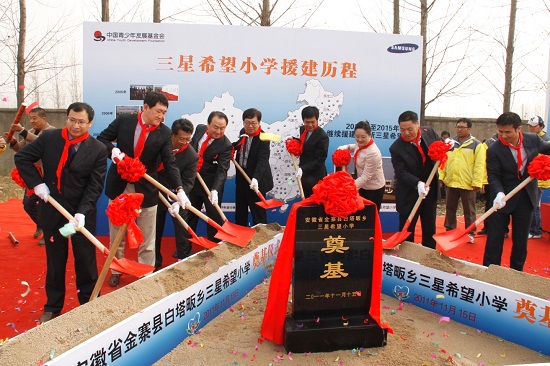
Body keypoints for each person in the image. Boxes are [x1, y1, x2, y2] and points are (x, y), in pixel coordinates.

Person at [14, 102, 107, 323]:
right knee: (56, 261)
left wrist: (82, 212)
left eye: (81, 122)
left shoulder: (97, 149)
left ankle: (90, 302)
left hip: (79, 218)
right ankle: (53, 306)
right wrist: (37, 184)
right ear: (67, 118)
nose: (76, 125)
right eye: (72, 120)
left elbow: (94, 186)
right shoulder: (49, 139)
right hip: (53, 212)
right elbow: (22, 158)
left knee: (85, 261)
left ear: (90, 123)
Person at [98, 91, 189, 287]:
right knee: (117, 232)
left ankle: (145, 273)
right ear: (145, 107)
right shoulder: (124, 121)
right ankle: (116, 268)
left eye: (164, 112)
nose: (161, 116)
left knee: (148, 235)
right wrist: (112, 152)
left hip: (146, 187)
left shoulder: (164, 132)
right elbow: (102, 139)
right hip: (120, 183)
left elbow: (169, 162)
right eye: (158, 111)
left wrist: (179, 189)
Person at [484, 112, 550, 272]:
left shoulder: (533, 140)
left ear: (519, 129)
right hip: (502, 199)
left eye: (508, 132)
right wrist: (499, 193)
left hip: (525, 198)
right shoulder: (494, 150)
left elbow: (547, 149)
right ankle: (490, 273)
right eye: (500, 132)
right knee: (494, 239)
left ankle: (516, 273)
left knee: (520, 241)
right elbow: (493, 175)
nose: (504, 136)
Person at [4, 107, 56, 246]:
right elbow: (22, 150)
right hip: (33, 176)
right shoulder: (31, 132)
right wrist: (13, 141)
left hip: (47, 175)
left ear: (43, 119)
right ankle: (40, 225)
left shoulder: (51, 131)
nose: (32, 121)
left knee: (47, 206)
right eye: (30, 118)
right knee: (28, 204)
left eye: (35, 118)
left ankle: (48, 232)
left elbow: (40, 141)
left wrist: (22, 131)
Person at [389, 110, 440, 249]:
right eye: (402, 129)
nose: (406, 133)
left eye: (409, 129)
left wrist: (446, 146)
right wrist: (417, 183)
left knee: (429, 227)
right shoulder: (396, 147)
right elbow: (401, 172)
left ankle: (429, 256)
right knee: (407, 229)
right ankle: (406, 258)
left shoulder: (429, 132)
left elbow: (439, 147)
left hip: (430, 189)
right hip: (409, 192)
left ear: (418, 124)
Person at [154, 119, 198, 269]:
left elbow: (188, 181)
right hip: (156, 191)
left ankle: (184, 260)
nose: (185, 142)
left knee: (182, 229)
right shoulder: (159, 145)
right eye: (181, 139)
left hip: (178, 195)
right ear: (172, 135)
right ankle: (154, 262)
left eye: (188, 139)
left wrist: (178, 199)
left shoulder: (191, 156)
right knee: (155, 229)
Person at [188, 111, 232, 242]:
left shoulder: (226, 145)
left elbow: (222, 170)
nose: (219, 131)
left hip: (211, 186)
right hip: (193, 182)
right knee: (190, 215)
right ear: (208, 124)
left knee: (214, 219)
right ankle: (185, 248)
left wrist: (215, 190)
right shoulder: (200, 129)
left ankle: (214, 250)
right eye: (215, 127)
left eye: (222, 128)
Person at [440, 118, 485, 244]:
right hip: (452, 181)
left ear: (469, 129)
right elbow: (443, 161)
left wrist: (477, 182)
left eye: (462, 127)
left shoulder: (476, 144)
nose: (459, 129)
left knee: (469, 210)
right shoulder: (450, 144)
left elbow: (479, 165)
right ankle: (450, 230)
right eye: (458, 127)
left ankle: (470, 232)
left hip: (468, 183)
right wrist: (441, 177)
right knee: (450, 208)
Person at [234, 108, 274, 226]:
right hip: (242, 177)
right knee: (240, 212)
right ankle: (241, 238)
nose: (250, 126)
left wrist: (256, 178)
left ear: (259, 123)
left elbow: (263, 160)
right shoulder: (243, 132)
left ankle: (261, 240)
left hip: (257, 180)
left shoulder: (264, 137)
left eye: (253, 123)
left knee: (258, 213)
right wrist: (230, 148)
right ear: (243, 123)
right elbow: (239, 145)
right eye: (247, 122)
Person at [337, 120, 385, 211]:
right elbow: (356, 147)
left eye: (363, 137)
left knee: (370, 215)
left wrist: (348, 188)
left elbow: (366, 176)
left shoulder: (373, 153)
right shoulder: (360, 143)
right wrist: (346, 147)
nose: (359, 139)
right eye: (357, 136)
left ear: (370, 135)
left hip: (374, 188)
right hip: (362, 185)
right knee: (361, 212)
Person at [295, 106, 329, 198]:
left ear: (317, 120)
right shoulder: (302, 129)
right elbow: (304, 145)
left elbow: (320, 160)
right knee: (304, 202)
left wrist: (303, 169)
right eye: (307, 122)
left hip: (316, 178)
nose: (310, 125)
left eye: (313, 122)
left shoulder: (322, 136)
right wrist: (293, 144)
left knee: (314, 205)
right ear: (303, 120)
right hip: (304, 176)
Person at [527, 115, 550, 239]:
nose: (531, 128)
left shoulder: (545, 140)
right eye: (529, 126)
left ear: (541, 126)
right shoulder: (531, 139)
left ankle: (536, 230)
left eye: (534, 126)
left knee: (535, 204)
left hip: (540, 178)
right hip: (531, 176)